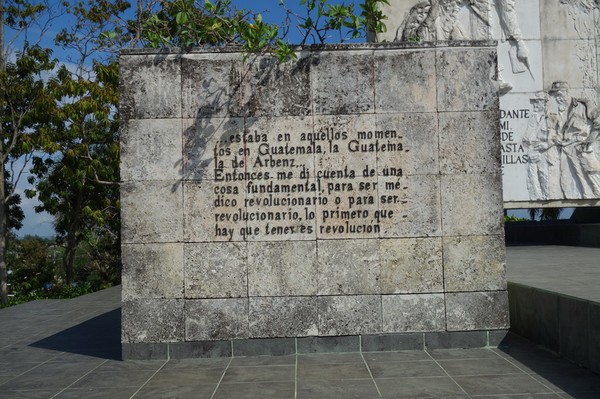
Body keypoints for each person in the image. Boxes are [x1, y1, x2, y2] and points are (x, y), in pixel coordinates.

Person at [548, 81, 594, 199]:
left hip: (579, 147)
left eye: (558, 95)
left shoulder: (582, 107)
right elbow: (558, 130)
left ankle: (589, 195)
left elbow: (598, 122)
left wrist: (590, 139)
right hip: (565, 149)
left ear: (566, 92)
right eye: (555, 96)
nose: (557, 99)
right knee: (565, 180)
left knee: (585, 176)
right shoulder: (559, 112)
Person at [522, 92, 550, 200]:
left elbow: (556, 135)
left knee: (543, 174)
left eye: (537, 102)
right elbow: (528, 132)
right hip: (532, 149)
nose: (535, 104)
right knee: (532, 173)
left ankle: (546, 195)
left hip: (543, 149)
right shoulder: (533, 117)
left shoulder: (550, 117)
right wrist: (526, 140)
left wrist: (547, 144)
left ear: (544, 103)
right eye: (535, 102)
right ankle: (536, 196)